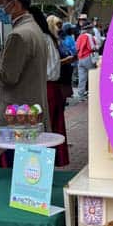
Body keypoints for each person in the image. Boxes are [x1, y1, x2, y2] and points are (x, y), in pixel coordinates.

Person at [0, 0, 49, 127]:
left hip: (18, 116)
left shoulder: (18, 35)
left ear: (15, 4)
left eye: (1, 4)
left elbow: (7, 77)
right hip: (29, 110)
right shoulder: (34, 29)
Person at [45, 15, 72, 166]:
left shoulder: (56, 40)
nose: (60, 28)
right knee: (52, 124)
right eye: (57, 24)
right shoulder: (48, 41)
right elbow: (51, 66)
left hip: (57, 85)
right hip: (51, 85)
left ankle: (57, 157)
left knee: (56, 123)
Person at [75, 23, 97, 100]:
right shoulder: (89, 36)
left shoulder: (79, 37)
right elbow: (92, 47)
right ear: (89, 29)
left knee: (82, 78)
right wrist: (97, 47)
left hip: (80, 58)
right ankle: (94, 93)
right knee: (93, 76)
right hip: (88, 57)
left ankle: (81, 95)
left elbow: (76, 47)